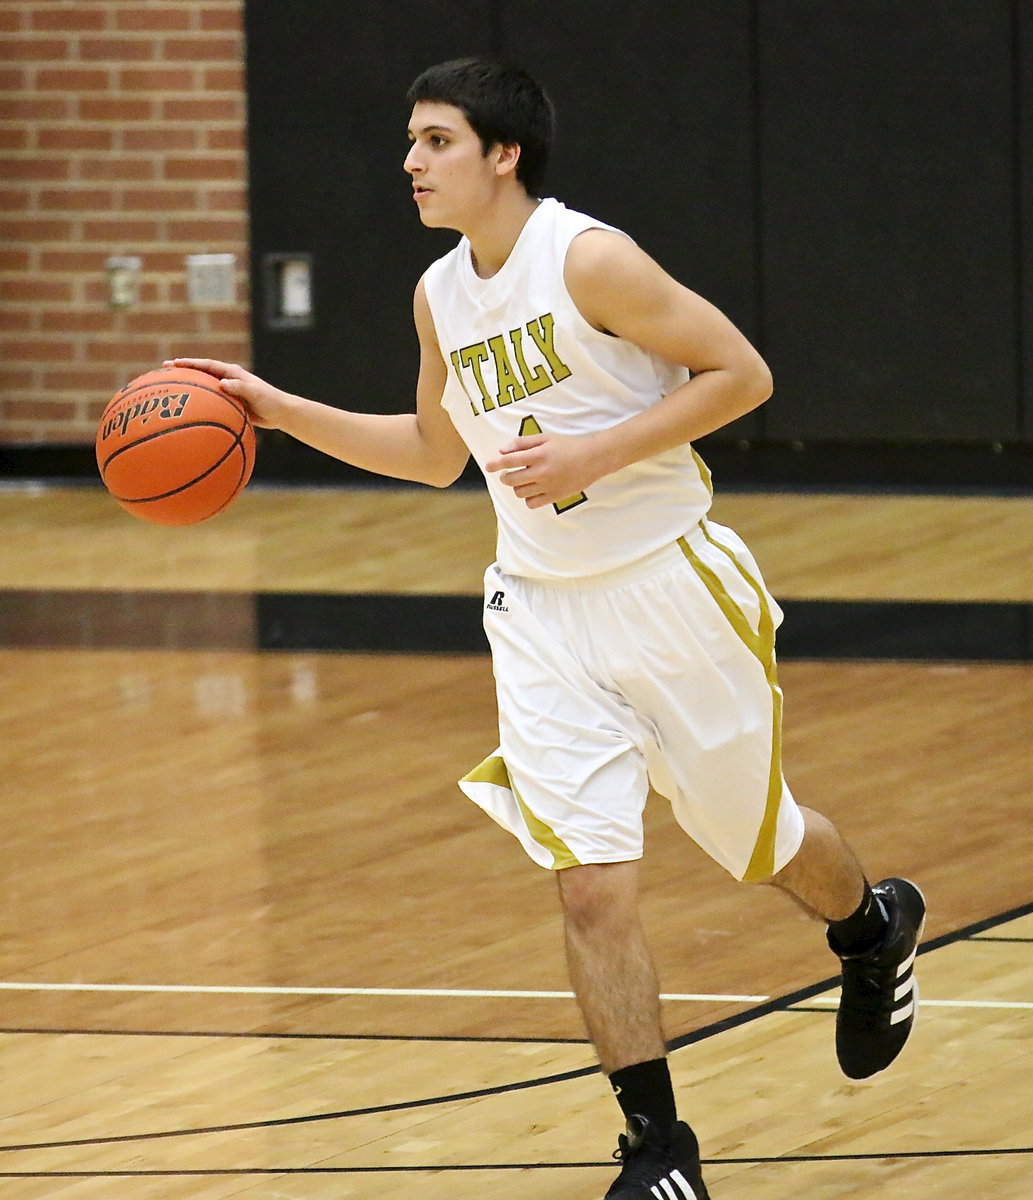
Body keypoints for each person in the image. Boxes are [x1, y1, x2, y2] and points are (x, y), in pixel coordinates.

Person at [168, 56, 925, 1200]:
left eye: (435, 141)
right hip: (539, 612)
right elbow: (432, 456)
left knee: (756, 840)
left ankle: (872, 927)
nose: (411, 162)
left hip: (670, 589)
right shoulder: (439, 294)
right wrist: (272, 409)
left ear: (501, 153)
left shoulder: (589, 259)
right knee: (589, 883)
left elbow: (742, 372)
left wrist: (591, 451)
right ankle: (657, 1151)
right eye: (411, 141)